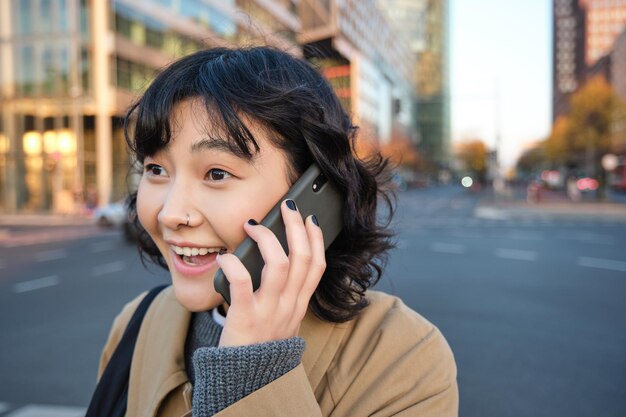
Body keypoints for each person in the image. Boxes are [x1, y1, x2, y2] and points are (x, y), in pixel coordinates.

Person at [96, 46, 458, 416]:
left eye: (217, 174)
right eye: (156, 170)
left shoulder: (403, 357)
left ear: (316, 192)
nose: (171, 213)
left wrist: (252, 375)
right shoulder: (136, 325)